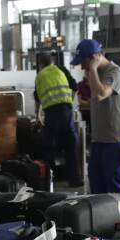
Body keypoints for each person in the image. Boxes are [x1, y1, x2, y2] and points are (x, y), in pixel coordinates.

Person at [71, 38, 120, 196]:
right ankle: (104, 220)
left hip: (115, 140)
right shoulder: (95, 74)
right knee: (97, 187)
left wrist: (92, 69)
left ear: (93, 58)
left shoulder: (115, 72)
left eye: (83, 62)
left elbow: (100, 94)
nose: (81, 66)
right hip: (99, 141)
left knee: (117, 188)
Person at [34, 52, 81, 187]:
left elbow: (38, 98)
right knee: (70, 146)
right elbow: (75, 86)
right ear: (52, 61)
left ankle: (49, 180)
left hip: (51, 113)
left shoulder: (40, 76)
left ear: (41, 64)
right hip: (66, 111)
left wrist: (38, 116)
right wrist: (69, 102)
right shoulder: (61, 69)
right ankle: (75, 179)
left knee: (48, 147)